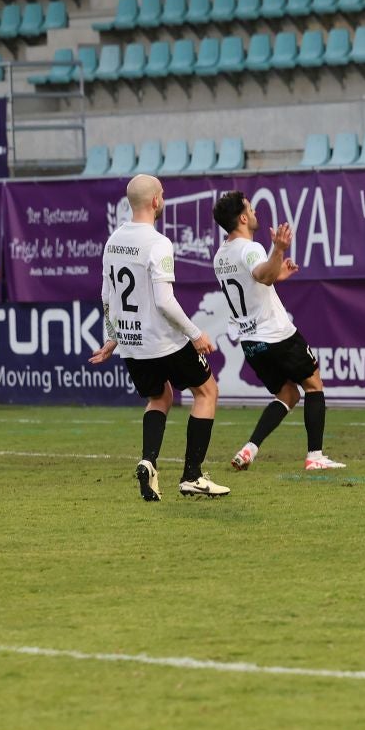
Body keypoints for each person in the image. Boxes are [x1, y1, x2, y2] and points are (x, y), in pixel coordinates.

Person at [87, 174, 228, 501]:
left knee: (159, 398)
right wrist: (195, 334)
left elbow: (107, 295)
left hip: (132, 344)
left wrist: (113, 338)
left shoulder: (113, 241)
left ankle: (148, 462)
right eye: (162, 194)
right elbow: (164, 301)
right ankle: (192, 476)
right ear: (155, 201)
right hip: (164, 340)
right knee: (207, 392)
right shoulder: (158, 242)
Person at [210, 190, 345, 471]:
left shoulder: (221, 255)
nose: (255, 211)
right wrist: (278, 250)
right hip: (276, 334)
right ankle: (315, 457)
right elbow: (262, 275)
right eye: (250, 207)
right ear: (243, 217)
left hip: (249, 341)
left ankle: (249, 449)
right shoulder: (251, 248)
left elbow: (259, 281)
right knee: (313, 384)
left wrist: (278, 270)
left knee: (288, 394)